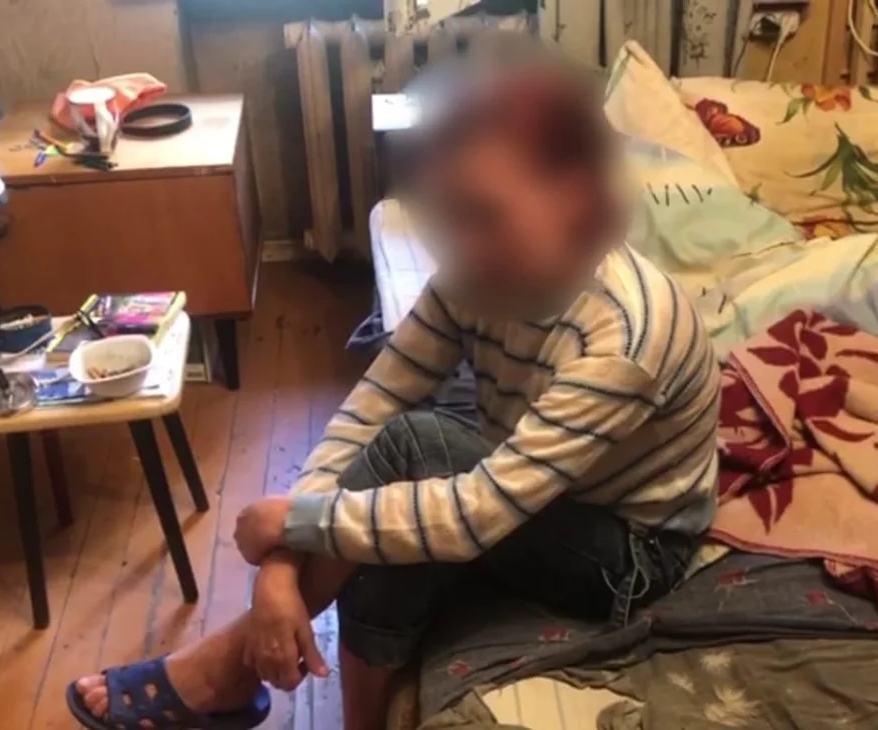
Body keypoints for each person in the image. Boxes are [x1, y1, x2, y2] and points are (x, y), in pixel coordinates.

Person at [66, 48, 720, 730]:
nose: (462, 243)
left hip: (629, 551)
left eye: (487, 214)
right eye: (452, 213)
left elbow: (478, 513)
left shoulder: (622, 340)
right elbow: (374, 401)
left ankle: (224, 668)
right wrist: (281, 566)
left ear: (576, 202)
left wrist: (291, 523)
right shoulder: (480, 271)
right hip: (538, 481)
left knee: (419, 453)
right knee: (397, 517)